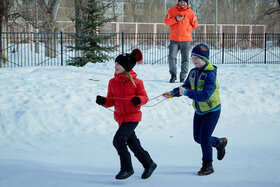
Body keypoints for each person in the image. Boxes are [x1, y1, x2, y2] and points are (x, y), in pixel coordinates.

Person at [162, 44, 228, 175]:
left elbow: (204, 96)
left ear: (205, 58)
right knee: (198, 138)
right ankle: (219, 142)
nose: (194, 60)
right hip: (199, 110)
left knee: (204, 138)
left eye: (197, 58)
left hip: (212, 110)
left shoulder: (210, 75)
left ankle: (208, 166)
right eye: (192, 57)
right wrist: (172, 93)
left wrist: (186, 93)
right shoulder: (193, 72)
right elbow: (185, 86)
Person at [96, 49, 157, 180]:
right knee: (133, 143)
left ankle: (127, 168)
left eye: (118, 64)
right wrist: (103, 101)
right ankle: (149, 163)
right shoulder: (112, 82)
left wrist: (138, 100)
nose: (115, 66)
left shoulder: (137, 82)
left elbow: (145, 98)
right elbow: (111, 100)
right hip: (120, 118)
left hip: (132, 117)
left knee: (118, 140)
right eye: (115, 64)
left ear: (126, 67)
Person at [164, 0, 198, 83]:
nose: (182, 3)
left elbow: (195, 24)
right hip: (174, 39)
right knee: (171, 57)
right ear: (178, 2)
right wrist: (176, 19)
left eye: (184, 2)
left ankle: (183, 77)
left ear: (187, 3)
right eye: (181, 2)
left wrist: (187, 30)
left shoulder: (190, 12)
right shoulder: (172, 10)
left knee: (185, 59)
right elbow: (166, 22)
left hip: (186, 40)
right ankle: (173, 74)